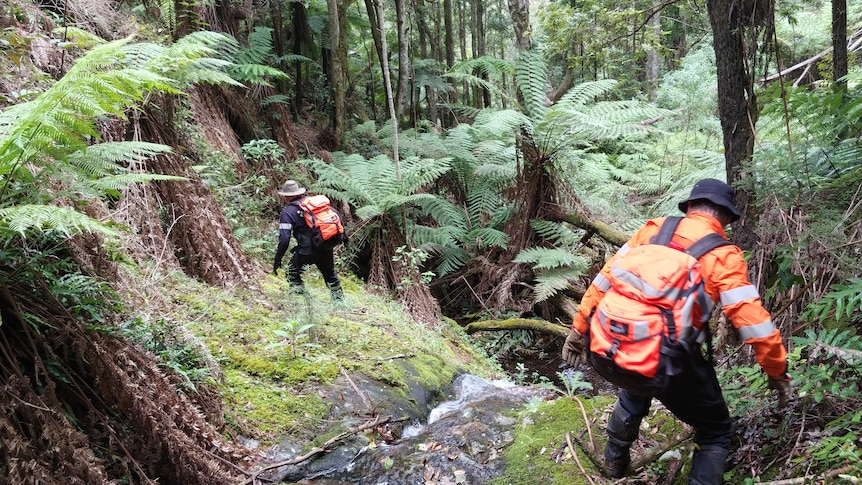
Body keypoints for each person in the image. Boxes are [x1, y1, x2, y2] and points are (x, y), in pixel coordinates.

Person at [562, 178, 793, 484]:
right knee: (715, 430)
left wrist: (578, 331)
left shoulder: (652, 228)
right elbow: (754, 323)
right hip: (667, 359)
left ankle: (614, 460)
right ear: (725, 217)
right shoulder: (723, 255)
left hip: (608, 345)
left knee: (637, 383)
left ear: (690, 207)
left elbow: (603, 281)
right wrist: (776, 372)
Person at [272, 180, 344, 301]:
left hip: (307, 251)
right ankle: (339, 303)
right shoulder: (315, 205)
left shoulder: (288, 212)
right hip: (325, 245)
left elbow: (284, 239)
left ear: (286, 196)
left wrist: (278, 259)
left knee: (292, 272)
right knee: (330, 275)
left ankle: (303, 301)